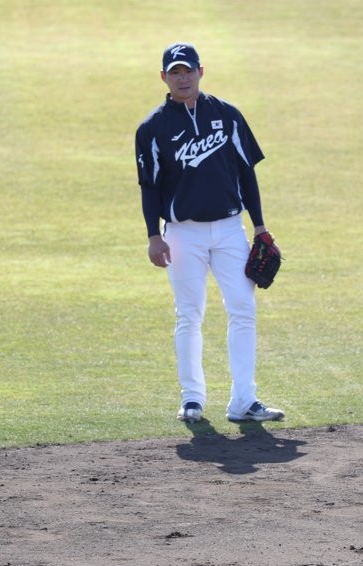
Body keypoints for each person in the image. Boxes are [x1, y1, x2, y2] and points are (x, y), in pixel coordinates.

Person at [135, 42, 284, 424]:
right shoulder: (152, 128)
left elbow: (247, 171)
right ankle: (193, 399)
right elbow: (149, 186)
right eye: (175, 72)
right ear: (164, 77)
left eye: (188, 70)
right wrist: (154, 235)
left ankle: (244, 401)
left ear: (202, 72)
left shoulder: (227, 115)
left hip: (230, 230)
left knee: (243, 309)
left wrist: (260, 226)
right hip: (182, 234)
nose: (182, 78)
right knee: (189, 314)